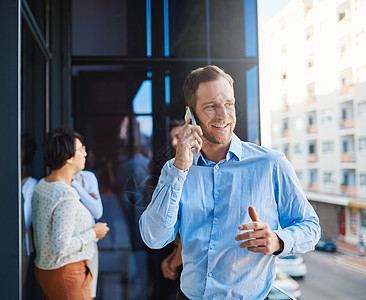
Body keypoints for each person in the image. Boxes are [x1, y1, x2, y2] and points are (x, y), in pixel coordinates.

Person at [139, 65, 320, 300]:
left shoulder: (271, 164)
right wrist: (180, 168)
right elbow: (154, 237)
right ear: (190, 115)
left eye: (229, 104)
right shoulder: (175, 170)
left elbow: (311, 226)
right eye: (212, 106)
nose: (223, 115)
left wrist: (278, 240)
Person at [32, 126, 110, 300]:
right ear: (68, 157)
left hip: (47, 270)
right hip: (67, 274)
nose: (85, 154)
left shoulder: (43, 185)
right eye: (80, 150)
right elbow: (61, 246)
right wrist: (94, 233)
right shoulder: (65, 194)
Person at [72, 170, 103, 299]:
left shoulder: (88, 177)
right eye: (80, 149)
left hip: (90, 245)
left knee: (88, 294)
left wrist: (77, 187)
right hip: (72, 246)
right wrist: (88, 197)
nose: (84, 152)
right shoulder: (60, 180)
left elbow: (97, 212)